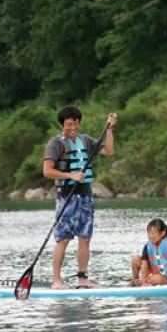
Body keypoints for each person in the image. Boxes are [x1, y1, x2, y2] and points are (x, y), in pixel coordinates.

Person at [42, 105, 117, 289]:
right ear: (62, 125)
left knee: (85, 237)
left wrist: (109, 128)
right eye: (69, 124)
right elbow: (47, 171)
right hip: (66, 195)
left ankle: (83, 278)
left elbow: (108, 150)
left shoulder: (86, 140)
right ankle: (56, 281)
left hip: (85, 194)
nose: (73, 127)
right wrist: (71, 176)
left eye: (76, 123)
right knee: (64, 238)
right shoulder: (55, 144)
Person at [128, 218, 167, 286]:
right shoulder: (148, 246)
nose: (150, 236)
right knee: (135, 259)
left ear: (162, 233)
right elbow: (144, 265)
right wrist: (144, 283)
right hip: (153, 273)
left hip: (165, 276)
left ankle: (165, 283)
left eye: (153, 233)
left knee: (156, 279)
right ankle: (136, 281)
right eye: (149, 233)